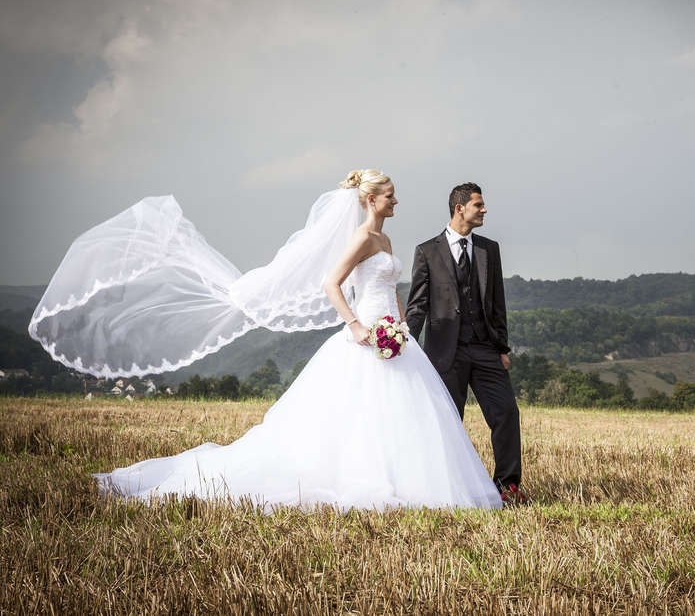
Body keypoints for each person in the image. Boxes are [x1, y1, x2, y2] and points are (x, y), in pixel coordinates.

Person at [31, 170, 502, 512]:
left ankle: (415, 482)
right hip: (363, 335)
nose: (397, 202)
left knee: (408, 411)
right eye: (391, 196)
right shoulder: (360, 238)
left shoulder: (386, 242)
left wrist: (398, 327)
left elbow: (392, 290)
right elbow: (331, 284)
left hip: (393, 336)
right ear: (371, 199)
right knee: (357, 411)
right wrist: (357, 327)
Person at [406, 183, 525, 504]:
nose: (484, 210)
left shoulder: (489, 249)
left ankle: (508, 485)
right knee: (448, 421)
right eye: (479, 205)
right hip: (446, 352)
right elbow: (417, 305)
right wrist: (408, 345)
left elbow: (497, 302)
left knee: (506, 413)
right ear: (460, 208)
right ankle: (445, 488)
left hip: (486, 349)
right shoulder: (427, 251)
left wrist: (502, 349)